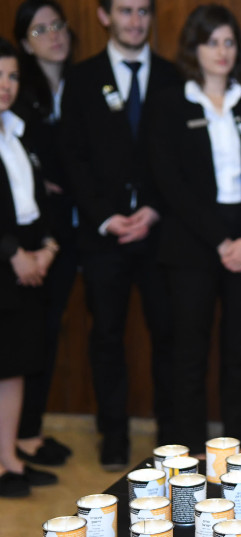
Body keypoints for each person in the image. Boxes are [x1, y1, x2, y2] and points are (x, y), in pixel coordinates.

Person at [147, 4, 241, 453]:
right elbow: (170, 183)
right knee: (189, 353)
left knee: (239, 352)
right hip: (192, 244)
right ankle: (190, 450)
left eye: (228, 41)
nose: (222, 51)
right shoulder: (170, 103)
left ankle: (233, 446)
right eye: (211, 41)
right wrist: (220, 240)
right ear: (194, 48)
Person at [60, 0, 179, 470]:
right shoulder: (83, 77)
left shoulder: (172, 76)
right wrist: (107, 217)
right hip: (103, 235)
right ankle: (113, 436)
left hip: (160, 230)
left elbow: (179, 156)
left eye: (143, 11)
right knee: (106, 337)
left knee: (167, 335)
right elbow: (72, 157)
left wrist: (152, 210)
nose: (135, 21)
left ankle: (171, 436)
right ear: (104, 15)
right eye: (125, 11)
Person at [12, 0, 74, 468]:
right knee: (22, 339)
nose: (53, 35)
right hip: (26, 234)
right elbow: (37, 170)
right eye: (39, 30)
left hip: (67, 231)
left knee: (46, 333)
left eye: (57, 25)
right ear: (23, 43)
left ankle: (29, 429)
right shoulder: (18, 91)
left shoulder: (82, 82)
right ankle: (18, 435)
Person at [0, 37, 59, 497]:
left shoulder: (14, 130)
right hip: (5, 262)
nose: (5, 85)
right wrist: (13, 253)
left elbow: (34, 202)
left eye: (12, 76)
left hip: (26, 262)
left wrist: (45, 247)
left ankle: (9, 457)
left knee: (15, 366)